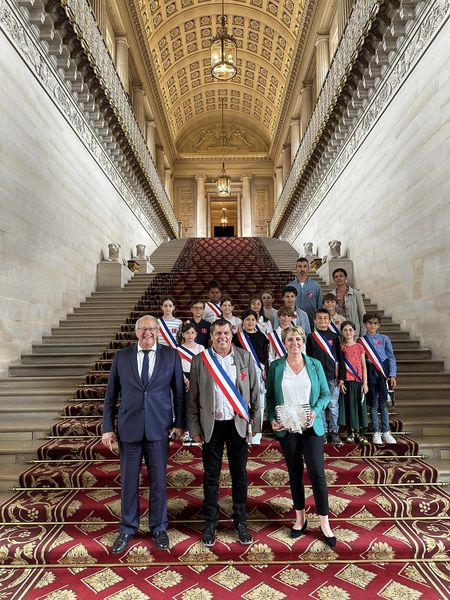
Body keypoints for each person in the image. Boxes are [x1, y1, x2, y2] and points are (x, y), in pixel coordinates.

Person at [102, 315, 185, 553]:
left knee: (158, 482)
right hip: (129, 428)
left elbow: (179, 393)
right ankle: (127, 528)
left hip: (159, 428)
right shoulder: (122, 356)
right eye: (143, 329)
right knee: (129, 482)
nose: (147, 333)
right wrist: (107, 427)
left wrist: (179, 424)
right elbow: (110, 396)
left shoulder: (171, 355)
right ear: (136, 332)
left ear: (158, 331)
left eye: (151, 329)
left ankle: (159, 528)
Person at [187, 319, 260, 547]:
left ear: (232, 334)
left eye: (226, 333)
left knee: (239, 476)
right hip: (212, 426)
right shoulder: (200, 360)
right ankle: (211, 523)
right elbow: (193, 400)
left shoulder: (245, 357)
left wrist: (255, 427)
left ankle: (240, 521)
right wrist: (195, 428)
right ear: (212, 336)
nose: (222, 337)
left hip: (237, 425)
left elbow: (255, 393)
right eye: (218, 333)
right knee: (211, 477)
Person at [266, 326, 335, 547]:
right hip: (287, 427)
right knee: (295, 473)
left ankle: (324, 523)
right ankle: (300, 518)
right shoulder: (276, 367)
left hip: (310, 426)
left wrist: (316, 409)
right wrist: (272, 419)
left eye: (297, 338)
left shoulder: (314, 365)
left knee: (317, 473)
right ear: (284, 343)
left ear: (303, 341)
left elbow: (325, 394)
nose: (294, 342)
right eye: (289, 339)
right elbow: (270, 398)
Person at [306, 309, 345, 445]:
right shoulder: (311, 337)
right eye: (320, 318)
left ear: (329, 320)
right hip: (316, 378)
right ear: (315, 321)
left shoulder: (334, 336)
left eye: (325, 318)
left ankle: (334, 431)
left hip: (332, 377)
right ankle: (321, 431)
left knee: (333, 405)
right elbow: (308, 358)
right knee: (320, 406)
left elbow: (340, 357)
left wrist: (341, 376)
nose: (322, 321)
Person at [359, 312, 397, 445]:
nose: (372, 325)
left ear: (379, 325)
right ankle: (376, 431)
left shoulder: (385, 338)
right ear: (365, 324)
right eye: (370, 323)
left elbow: (391, 357)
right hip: (370, 374)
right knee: (374, 404)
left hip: (383, 374)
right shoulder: (361, 340)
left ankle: (386, 431)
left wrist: (392, 375)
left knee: (383, 404)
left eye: (375, 323)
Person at [233, 310, 269, 444]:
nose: (250, 322)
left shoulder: (262, 337)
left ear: (256, 320)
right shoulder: (237, 337)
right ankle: (242, 431)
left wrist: (265, 370)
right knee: (243, 399)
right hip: (242, 371)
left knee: (258, 401)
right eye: (247, 319)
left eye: (253, 319)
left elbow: (266, 355)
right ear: (243, 321)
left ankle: (256, 434)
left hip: (258, 371)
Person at [338, 321, 369, 444]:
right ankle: (351, 432)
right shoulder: (341, 347)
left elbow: (363, 366)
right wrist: (340, 382)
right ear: (341, 332)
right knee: (350, 408)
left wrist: (365, 382)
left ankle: (360, 433)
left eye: (350, 330)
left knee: (359, 406)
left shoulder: (359, 346)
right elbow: (339, 365)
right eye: (345, 330)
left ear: (355, 332)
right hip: (347, 381)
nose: (348, 332)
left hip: (358, 381)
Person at [177, 323, 205, 443]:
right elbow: (177, 368)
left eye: (192, 332)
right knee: (187, 405)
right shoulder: (178, 349)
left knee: (198, 405)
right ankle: (188, 431)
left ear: (196, 334)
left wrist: (194, 381)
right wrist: (186, 380)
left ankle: (198, 431)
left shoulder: (201, 348)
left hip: (198, 378)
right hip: (184, 379)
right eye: (187, 333)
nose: (190, 335)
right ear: (183, 334)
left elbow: (203, 366)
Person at [288, 257, 323, 328]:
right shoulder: (289, 286)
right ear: (296, 268)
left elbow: (320, 306)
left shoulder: (316, 286)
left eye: (305, 266)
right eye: (299, 266)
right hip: (294, 323)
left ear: (308, 268)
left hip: (312, 323)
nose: (302, 269)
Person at [332, 268, 365, 338]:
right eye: (336, 277)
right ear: (334, 279)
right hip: (336, 333)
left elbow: (362, 314)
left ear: (345, 277)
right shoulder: (331, 295)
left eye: (341, 276)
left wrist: (363, 334)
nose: (338, 278)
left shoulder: (355, 293)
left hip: (353, 333)